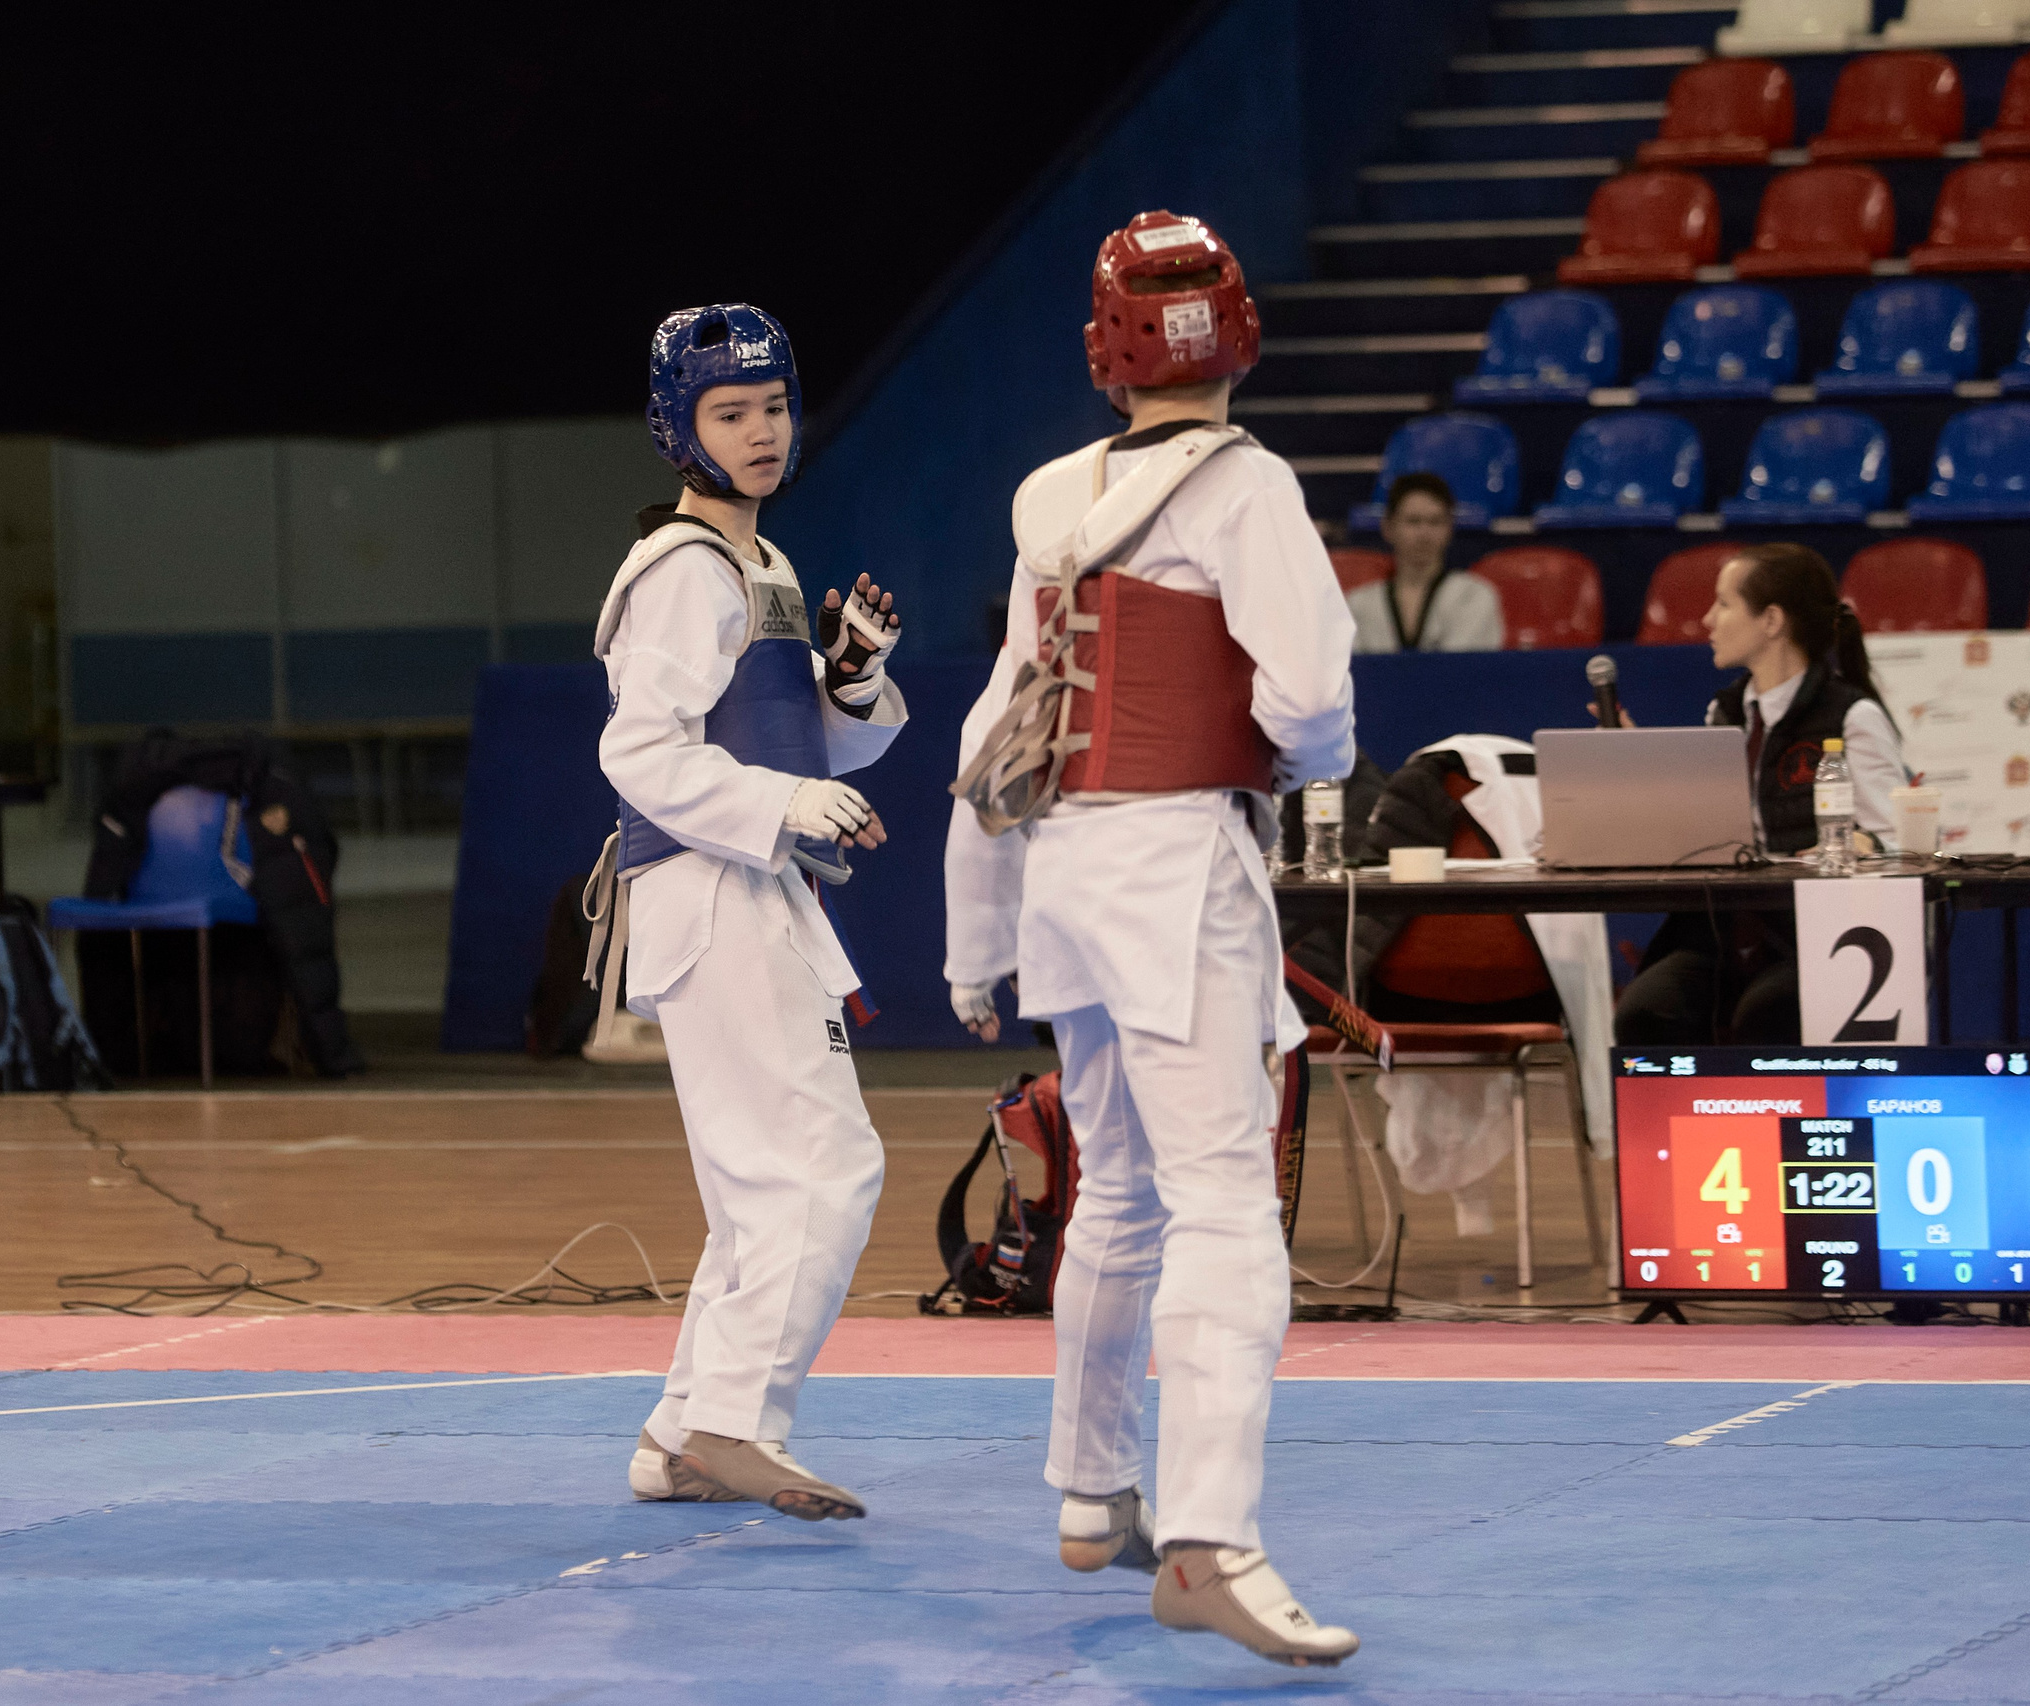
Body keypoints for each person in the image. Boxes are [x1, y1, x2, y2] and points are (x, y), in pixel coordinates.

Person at [947, 210, 1361, 1668]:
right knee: (1226, 1204)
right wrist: (1310, 771)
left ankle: (1088, 1487)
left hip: (1063, 865)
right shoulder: (1247, 487)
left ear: (1102, 354)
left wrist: (975, 937)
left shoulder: (1048, 497)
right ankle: (1208, 1539)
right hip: (1177, 864)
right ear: (1240, 337)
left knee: (1115, 1184)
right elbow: (1309, 697)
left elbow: (998, 729)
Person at [596, 304, 905, 1522]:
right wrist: (789, 800)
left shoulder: (758, 564)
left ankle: (678, 1434)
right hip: (708, 884)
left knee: (755, 1189)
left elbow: (805, 750)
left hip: (745, 880)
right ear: (682, 428)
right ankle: (732, 1419)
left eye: (774, 405)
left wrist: (850, 683)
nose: (763, 430)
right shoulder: (678, 568)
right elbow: (639, 749)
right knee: (824, 1167)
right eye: (733, 412)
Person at [1615, 543, 1904, 1045]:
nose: (1707, 619)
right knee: (1646, 1011)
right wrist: (1638, 776)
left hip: (1817, 934)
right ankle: (1689, 1126)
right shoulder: (1723, 714)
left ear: (1771, 621)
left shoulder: (1853, 717)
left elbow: (1893, 840)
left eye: (1724, 604)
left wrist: (1859, 844)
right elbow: (1708, 838)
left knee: (1768, 1013)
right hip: (1722, 932)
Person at [1347, 472, 1503, 653]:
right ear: (1388, 528)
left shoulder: (1474, 596)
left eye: (1435, 522)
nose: (1424, 533)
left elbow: (1464, 673)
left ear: (1449, 528)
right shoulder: (1359, 604)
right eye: (1413, 521)